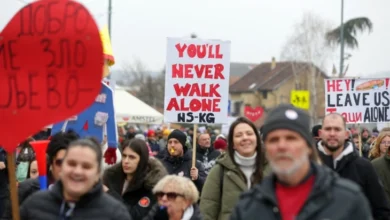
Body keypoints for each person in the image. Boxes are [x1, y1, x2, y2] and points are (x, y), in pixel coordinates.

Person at [230, 104, 372, 220]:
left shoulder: (347, 200)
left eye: (291, 138)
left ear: (309, 147)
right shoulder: (248, 206)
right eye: (273, 140)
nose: (282, 146)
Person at [20, 138, 132, 220]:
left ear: (98, 173)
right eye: (71, 164)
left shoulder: (116, 214)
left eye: (86, 166)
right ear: (62, 167)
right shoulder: (34, 205)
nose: (77, 171)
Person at [318, 113, 390, 219]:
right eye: (328, 129)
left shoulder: (364, 167)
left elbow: (381, 210)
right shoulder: (308, 166)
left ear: (346, 134)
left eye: (337, 129)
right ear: (320, 133)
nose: (332, 133)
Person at [200, 117, 269, 220]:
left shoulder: (274, 169)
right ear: (232, 144)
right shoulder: (219, 171)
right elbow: (207, 210)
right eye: (238, 135)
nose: (245, 138)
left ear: (257, 139)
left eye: (249, 133)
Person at [103, 139, 168, 219]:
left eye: (132, 157)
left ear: (142, 160)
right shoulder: (111, 177)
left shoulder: (151, 184)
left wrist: (109, 193)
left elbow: (134, 216)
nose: (126, 161)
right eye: (124, 156)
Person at [18, 130, 79, 204]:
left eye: (71, 163)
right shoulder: (27, 189)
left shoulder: (85, 192)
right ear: (51, 163)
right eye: (60, 163)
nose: (65, 168)